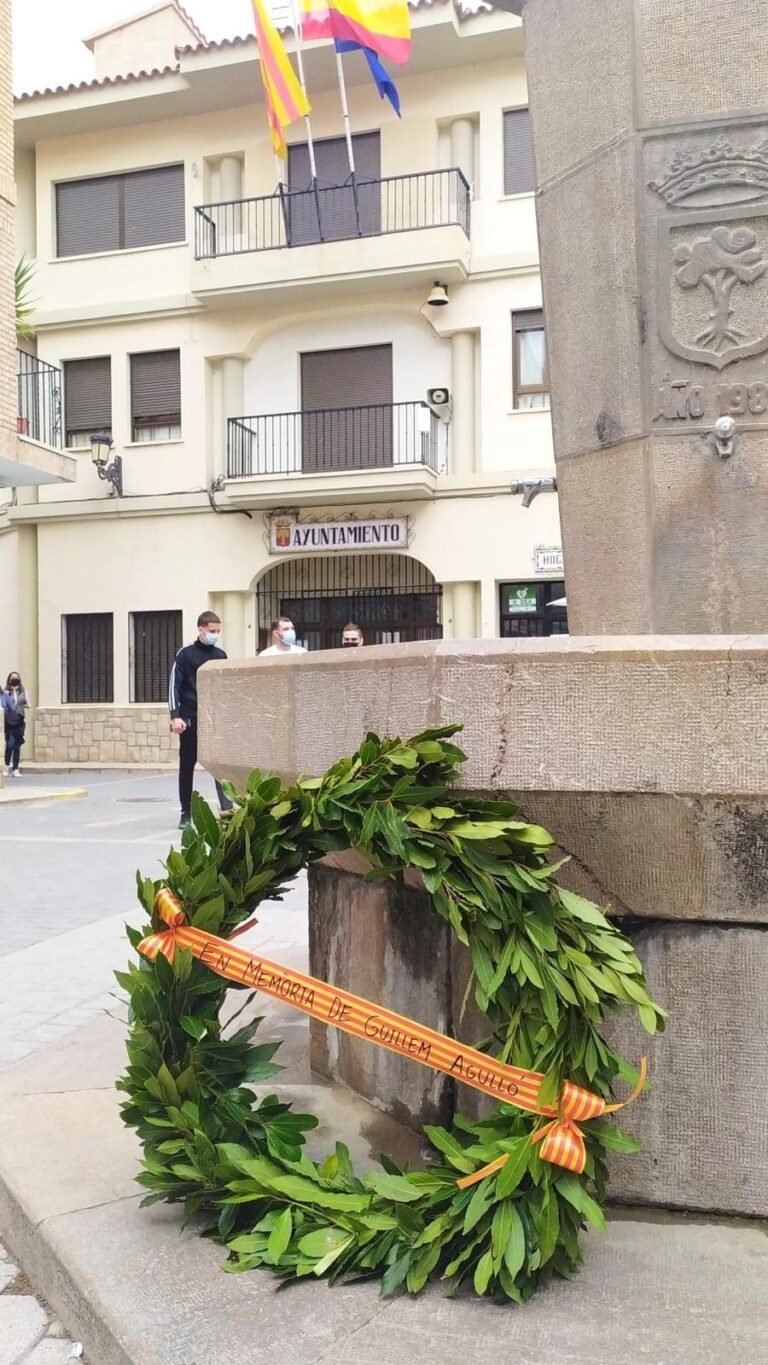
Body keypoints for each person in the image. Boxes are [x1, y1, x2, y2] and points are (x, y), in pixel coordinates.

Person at [168, 611, 234, 829]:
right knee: (187, 765)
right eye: (212, 631)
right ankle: (185, 812)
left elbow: (226, 687)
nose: (215, 635)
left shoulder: (221, 655)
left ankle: (227, 811)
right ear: (201, 629)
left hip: (214, 721)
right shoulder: (185, 654)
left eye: (218, 631)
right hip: (190, 718)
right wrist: (175, 716)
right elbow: (174, 686)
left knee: (220, 766)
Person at [2, 672, 30, 777]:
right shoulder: (5, 692)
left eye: (16, 678)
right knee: (9, 745)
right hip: (9, 721)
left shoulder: (23, 691)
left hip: (19, 720)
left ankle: (15, 769)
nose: (14, 679)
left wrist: (20, 705)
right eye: (12, 678)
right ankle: (6, 767)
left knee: (17, 745)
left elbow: (29, 705)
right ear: (9, 680)